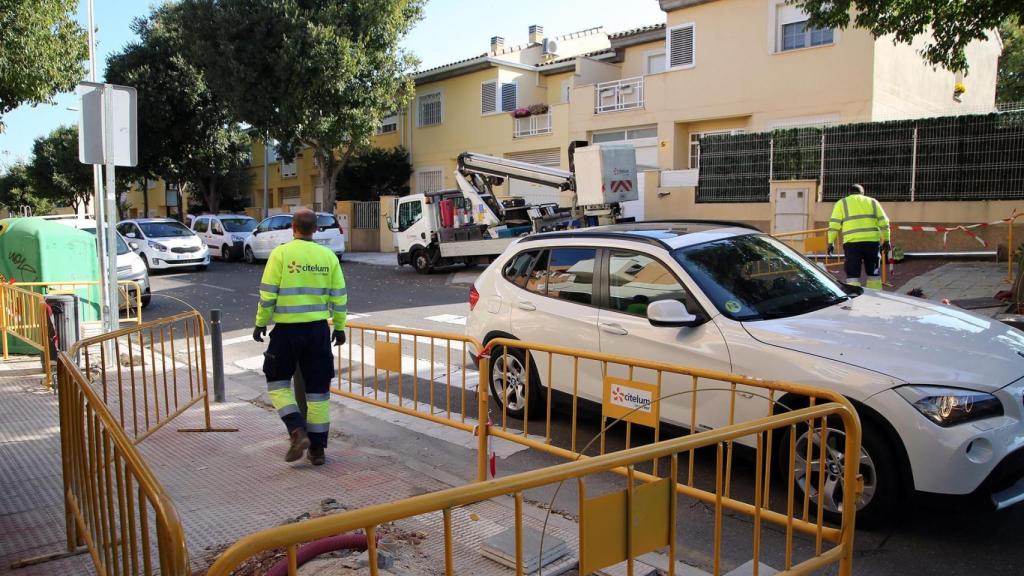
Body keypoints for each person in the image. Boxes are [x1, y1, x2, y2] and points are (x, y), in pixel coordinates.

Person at [252, 209, 347, 466]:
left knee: (277, 381)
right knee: (318, 392)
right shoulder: (328, 256)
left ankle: (296, 430)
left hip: (287, 331)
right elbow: (339, 297)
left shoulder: (280, 254)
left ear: (292, 227)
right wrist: (339, 327)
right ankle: (317, 450)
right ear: (316, 229)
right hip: (318, 330)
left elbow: (268, 294)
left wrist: (260, 323)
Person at [827, 184, 890, 290]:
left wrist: (830, 242)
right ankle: (876, 297)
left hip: (852, 244)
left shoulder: (841, 203)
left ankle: (855, 297)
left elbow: (834, 225)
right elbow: (884, 222)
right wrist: (887, 240)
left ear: (849, 193)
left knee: (853, 275)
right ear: (862, 193)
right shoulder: (873, 202)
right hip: (872, 243)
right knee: (873, 274)